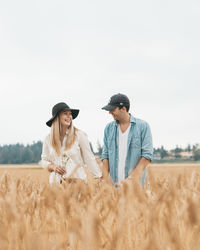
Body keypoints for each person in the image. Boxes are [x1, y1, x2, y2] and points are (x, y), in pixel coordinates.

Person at [41, 102, 102, 184]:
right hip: (56, 185)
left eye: (70, 114)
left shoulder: (79, 135)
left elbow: (89, 157)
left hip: (78, 183)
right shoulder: (48, 139)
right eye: (65, 114)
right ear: (57, 117)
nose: (69, 116)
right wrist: (53, 167)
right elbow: (44, 160)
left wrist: (98, 176)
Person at [101, 93, 153, 185]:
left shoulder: (143, 126)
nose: (109, 112)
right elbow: (105, 156)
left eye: (112, 109)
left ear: (123, 109)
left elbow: (147, 156)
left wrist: (131, 179)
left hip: (137, 186)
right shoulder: (108, 128)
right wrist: (104, 179)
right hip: (114, 187)